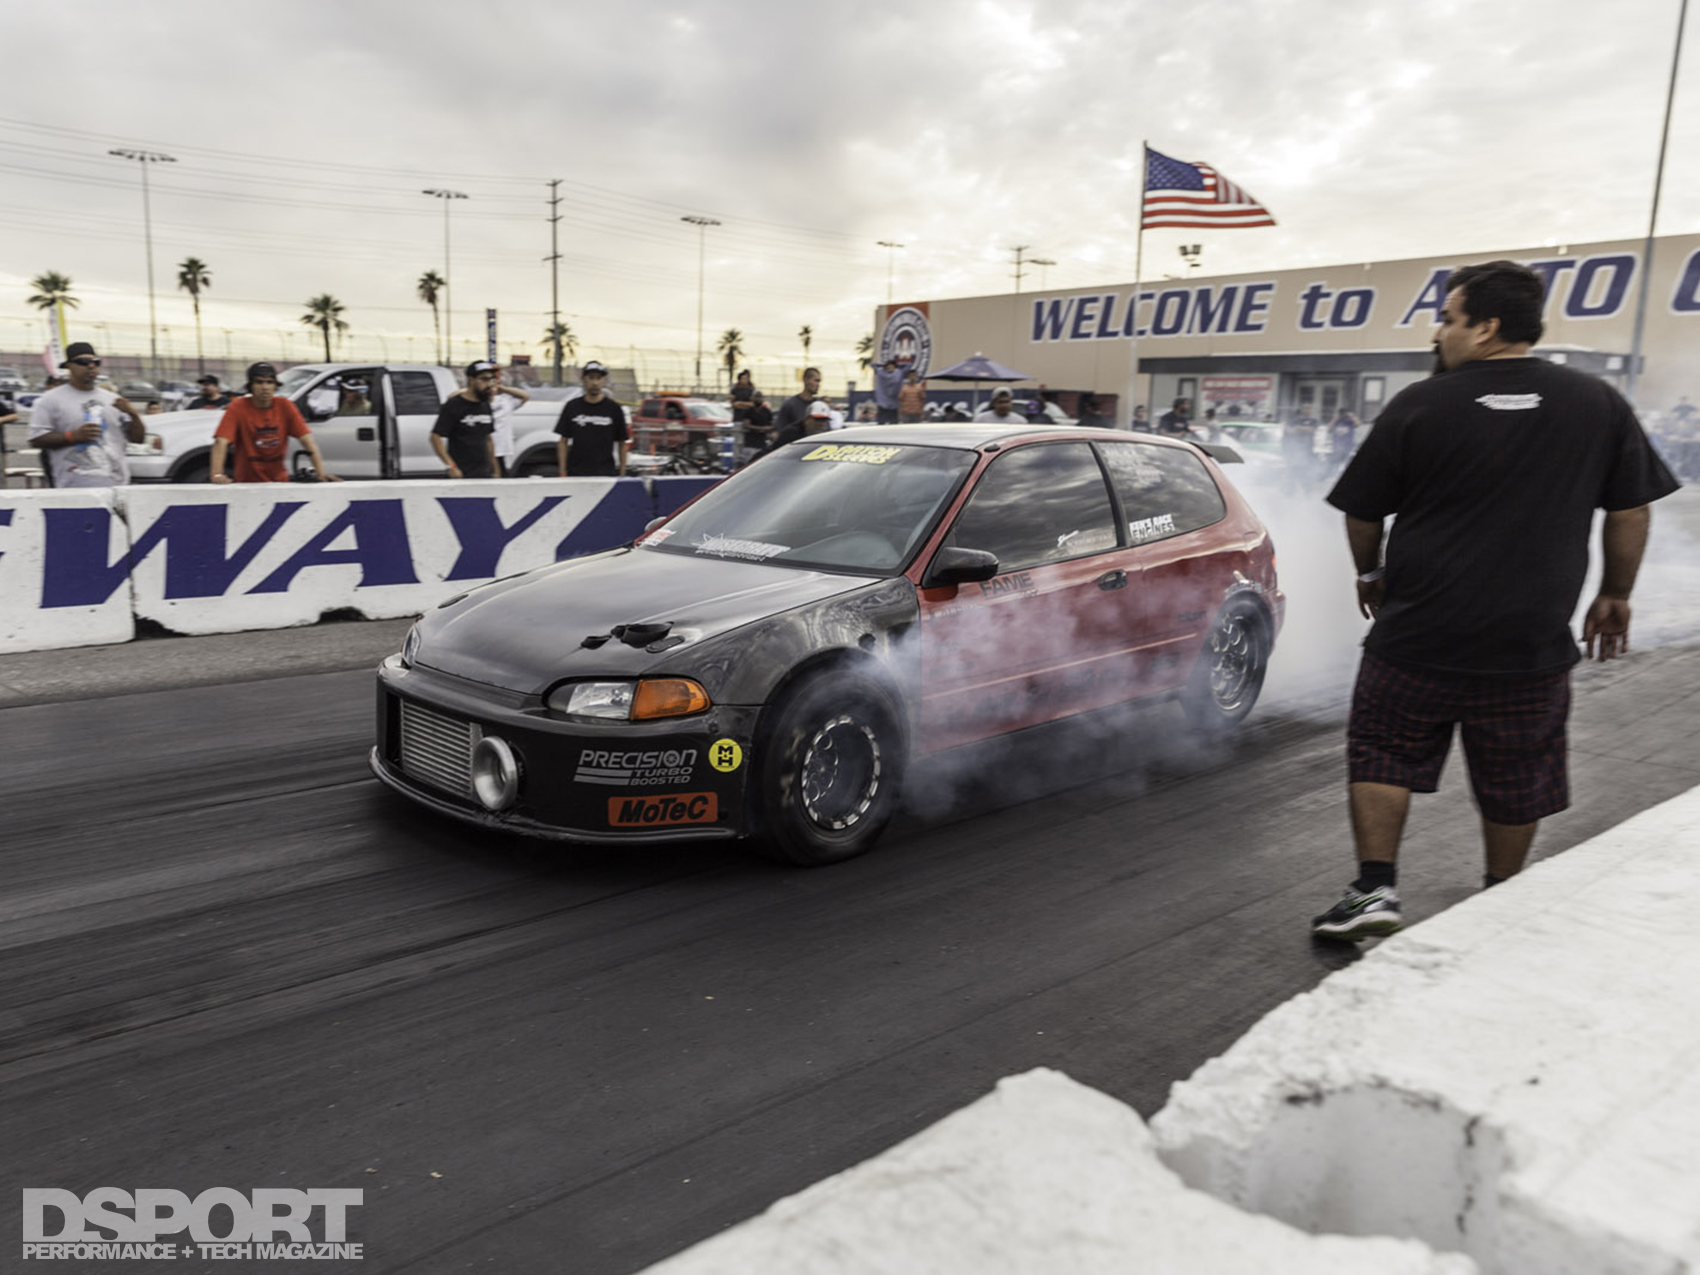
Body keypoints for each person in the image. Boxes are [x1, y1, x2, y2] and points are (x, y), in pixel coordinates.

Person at [1312, 260, 1680, 942]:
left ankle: (1373, 890)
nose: (1438, 333)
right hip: (1529, 642)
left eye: (1447, 319)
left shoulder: (1420, 404)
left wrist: (1370, 574)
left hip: (1415, 635)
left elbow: (1362, 510)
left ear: (1485, 328)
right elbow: (1630, 508)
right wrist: (1615, 593)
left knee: (1383, 751)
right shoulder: (1595, 402)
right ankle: (1501, 900)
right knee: (1519, 769)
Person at [27, 342, 144, 488]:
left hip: (117, 487)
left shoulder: (113, 399)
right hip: (73, 489)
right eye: (83, 362)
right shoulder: (50, 399)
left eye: (96, 362)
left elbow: (138, 440)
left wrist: (134, 415)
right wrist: (73, 436)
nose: (91, 366)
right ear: (69, 366)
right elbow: (36, 439)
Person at [210, 362, 335, 483]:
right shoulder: (237, 407)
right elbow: (221, 442)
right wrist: (217, 474)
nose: (265, 388)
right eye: (259, 382)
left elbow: (307, 441)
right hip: (246, 483)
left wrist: (320, 474)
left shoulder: (285, 406)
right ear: (250, 386)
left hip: (278, 482)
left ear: (275, 386)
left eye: (269, 382)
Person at [554, 359, 628, 477]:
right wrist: (562, 472)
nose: (595, 383)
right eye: (591, 378)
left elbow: (622, 443)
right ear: (583, 379)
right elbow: (563, 442)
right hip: (576, 473)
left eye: (598, 378)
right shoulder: (572, 407)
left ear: (604, 380)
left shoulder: (614, 409)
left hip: (606, 474)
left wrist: (622, 474)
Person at [432, 360, 500, 479]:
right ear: (471, 380)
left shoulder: (485, 405)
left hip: (484, 473)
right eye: (484, 379)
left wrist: (495, 469)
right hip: (461, 473)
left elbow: (488, 438)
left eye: (491, 379)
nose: (489, 384)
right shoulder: (454, 405)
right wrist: (451, 466)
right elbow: (435, 437)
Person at [489, 365, 529, 476]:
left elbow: (525, 396)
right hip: (486, 449)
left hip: (503, 448)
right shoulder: (479, 400)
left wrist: (503, 389)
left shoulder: (506, 399)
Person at [771, 366, 823, 449]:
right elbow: (779, 432)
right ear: (806, 380)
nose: (818, 385)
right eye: (816, 380)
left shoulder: (819, 406)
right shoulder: (790, 404)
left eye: (819, 381)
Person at [872, 358, 904, 424]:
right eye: (888, 366)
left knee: (893, 425)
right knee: (881, 424)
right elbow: (872, 365)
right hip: (883, 403)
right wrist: (881, 365)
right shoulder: (881, 374)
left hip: (894, 404)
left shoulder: (898, 374)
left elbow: (908, 365)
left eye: (891, 366)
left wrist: (899, 365)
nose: (889, 368)